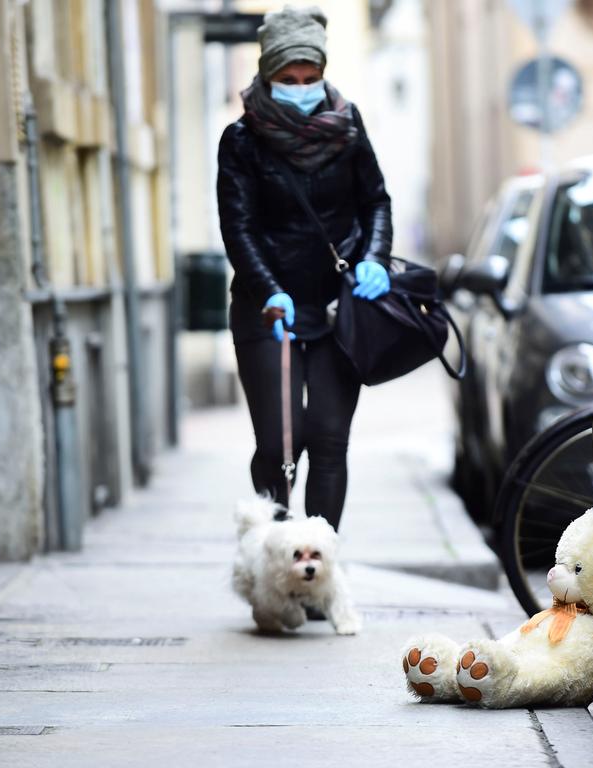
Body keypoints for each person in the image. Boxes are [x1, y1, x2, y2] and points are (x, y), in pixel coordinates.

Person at [216, 5, 392, 532]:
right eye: (288, 78)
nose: (300, 86)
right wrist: (268, 289)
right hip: (268, 311)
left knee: (330, 441)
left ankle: (319, 567)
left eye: (310, 77)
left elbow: (375, 201)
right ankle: (273, 557)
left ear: (323, 73)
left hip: (342, 307)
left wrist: (373, 260)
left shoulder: (349, 125)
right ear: (268, 75)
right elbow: (238, 227)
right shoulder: (242, 140)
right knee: (278, 444)